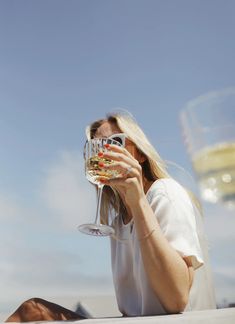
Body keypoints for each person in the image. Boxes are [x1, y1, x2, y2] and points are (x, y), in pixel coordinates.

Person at [5, 111, 216, 322]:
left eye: (115, 142)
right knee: (32, 310)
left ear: (141, 154)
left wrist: (139, 202)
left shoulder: (165, 193)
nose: (105, 153)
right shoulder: (118, 223)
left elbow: (175, 300)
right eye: (96, 147)